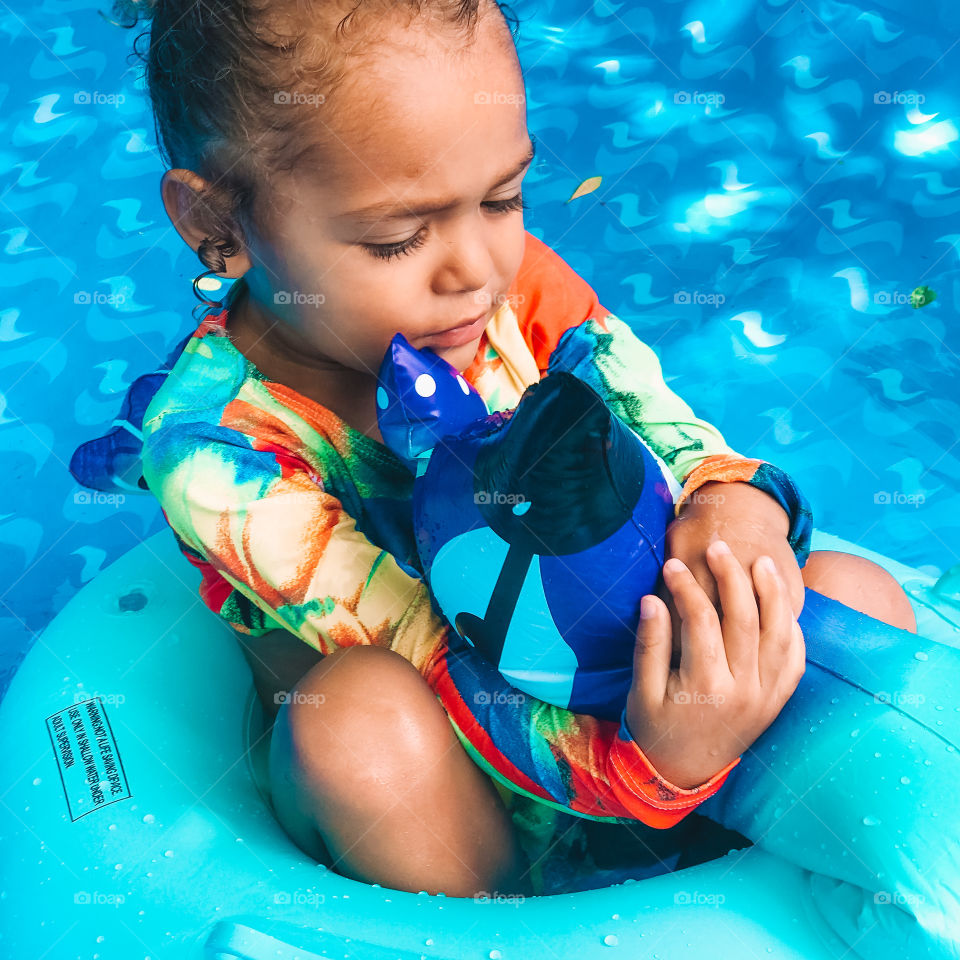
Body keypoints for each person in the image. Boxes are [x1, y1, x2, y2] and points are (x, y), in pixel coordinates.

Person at [80, 0, 917, 900]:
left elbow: (676, 436)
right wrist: (661, 760)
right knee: (354, 725)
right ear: (220, 226)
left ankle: (771, 883)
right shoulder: (214, 456)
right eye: (398, 237)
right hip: (465, 784)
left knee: (847, 593)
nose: (475, 269)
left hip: (637, 695)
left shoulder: (512, 290)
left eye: (504, 198)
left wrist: (734, 508)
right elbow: (441, 660)